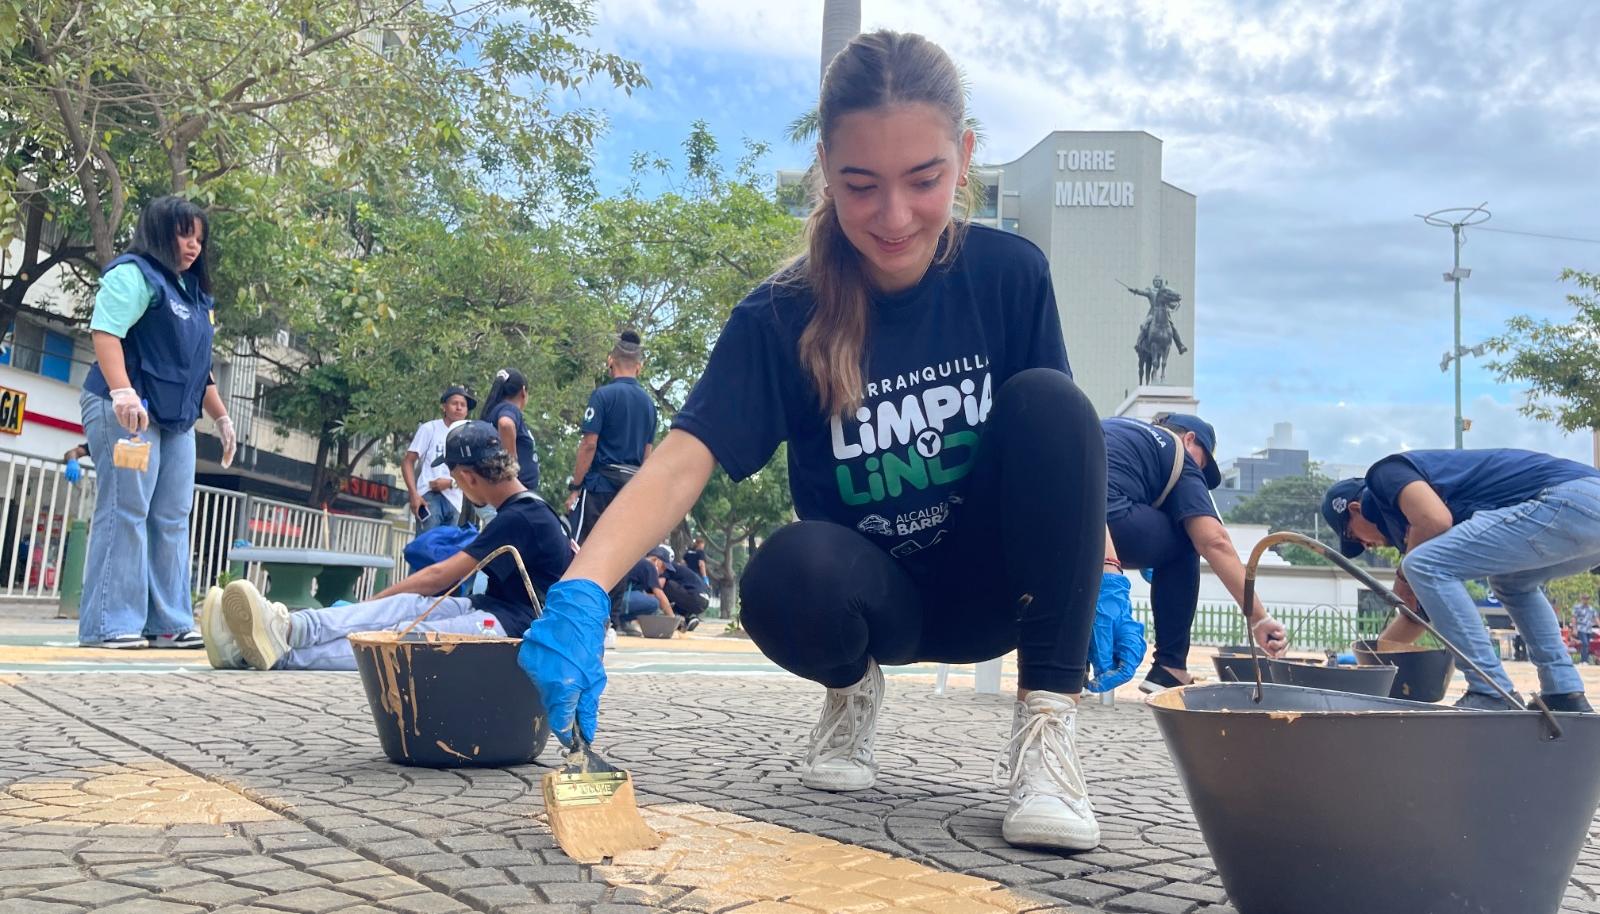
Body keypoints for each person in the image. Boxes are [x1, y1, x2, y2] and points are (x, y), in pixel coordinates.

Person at [519, 31, 1120, 851]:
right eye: (861, 185)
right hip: (875, 606)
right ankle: (852, 692)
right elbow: (684, 457)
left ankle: (1047, 741)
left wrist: (1108, 575)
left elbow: (1064, 451)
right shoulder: (781, 314)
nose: (895, 217)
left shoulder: (1010, 275)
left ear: (965, 157)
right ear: (826, 171)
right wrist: (583, 589)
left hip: (999, 592)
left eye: (925, 180)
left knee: (1054, 400)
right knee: (782, 571)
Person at [208, 421, 573, 670]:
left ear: (467, 477)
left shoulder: (520, 517)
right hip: (491, 609)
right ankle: (289, 627)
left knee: (398, 640)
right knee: (407, 605)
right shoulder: (530, 510)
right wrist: (382, 602)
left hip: (512, 628)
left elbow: (439, 576)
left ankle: (268, 654)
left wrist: (369, 603)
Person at [1321, 447, 1600, 713]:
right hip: (1586, 512)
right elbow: (1422, 613)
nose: (1366, 546)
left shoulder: (1385, 475)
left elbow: (1435, 519)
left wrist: (1405, 574)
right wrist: (1372, 663)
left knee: (1422, 564)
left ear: (1355, 509)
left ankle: (1489, 690)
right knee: (1512, 583)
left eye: (1353, 537)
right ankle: (1563, 692)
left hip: (1571, 498)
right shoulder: (1410, 532)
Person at [78, 195, 236, 649]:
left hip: (177, 418)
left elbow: (198, 368)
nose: (193, 246)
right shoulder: (134, 274)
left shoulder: (197, 295)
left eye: (199, 239)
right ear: (160, 232)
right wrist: (122, 391)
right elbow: (106, 331)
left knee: (171, 516)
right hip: (127, 409)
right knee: (126, 509)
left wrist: (222, 418)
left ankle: (168, 621)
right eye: (185, 234)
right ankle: (111, 622)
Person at [1102, 413, 1288, 693]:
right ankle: (1170, 667)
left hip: (1042, 507)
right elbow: (1215, 541)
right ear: (1190, 440)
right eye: (1202, 465)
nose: (1198, 475)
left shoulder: (1118, 427)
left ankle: (1070, 663)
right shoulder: (1179, 454)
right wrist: (1259, 617)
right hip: (1103, 515)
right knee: (1189, 538)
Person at [566, 331, 658, 542]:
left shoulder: (602, 396)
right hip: (629, 492)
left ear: (610, 361)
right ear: (639, 366)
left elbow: (589, 444)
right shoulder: (649, 405)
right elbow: (647, 455)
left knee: (579, 551)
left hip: (599, 488)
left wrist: (576, 487)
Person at [402, 386, 475, 531]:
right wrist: (414, 495)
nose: (459, 408)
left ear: (467, 411)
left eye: (463, 405)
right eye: (454, 403)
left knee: (446, 550)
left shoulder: (471, 435)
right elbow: (408, 461)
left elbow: (475, 473)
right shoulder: (430, 428)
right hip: (429, 496)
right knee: (427, 547)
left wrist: (451, 483)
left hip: (455, 500)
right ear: (444, 407)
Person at [478, 368, 540, 524]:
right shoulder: (509, 409)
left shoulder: (493, 411)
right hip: (508, 498)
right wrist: (511, 465)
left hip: (500, 497)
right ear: (523, 391)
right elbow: (505, 424)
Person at [646, 545, 710, 630]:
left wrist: (644, 593)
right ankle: (686, 620)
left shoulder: (666, 567)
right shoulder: (678, 568)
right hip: (704, 600)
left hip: (695, 597)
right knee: (675, 595)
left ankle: (675, 617)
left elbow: (659, 586)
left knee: (665, 588)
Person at [615, 556, 671, 635]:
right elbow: (659, 594)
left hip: (614, 598)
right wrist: (672, 617)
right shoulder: (649, 565)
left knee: (647, 599)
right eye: (663, 567)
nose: (662, 571)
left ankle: (620, 622)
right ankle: (617, 622)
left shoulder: (637, 562)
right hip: (618, 600)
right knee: (654, 603)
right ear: (656, 560)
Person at [1573, 595, 1597, 665]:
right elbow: (1574, 618)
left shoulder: (1591, 609)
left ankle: (1584, 660)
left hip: (1589, 629)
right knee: (1585, 643)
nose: (1586, 600)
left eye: (1587, 599)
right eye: (1584, 599)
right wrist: (1574, 628)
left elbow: (1596, 618)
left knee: (1587, 645)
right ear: (1582, 599)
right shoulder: (1577, 608)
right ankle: (1583, 660)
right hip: (1581, 629)